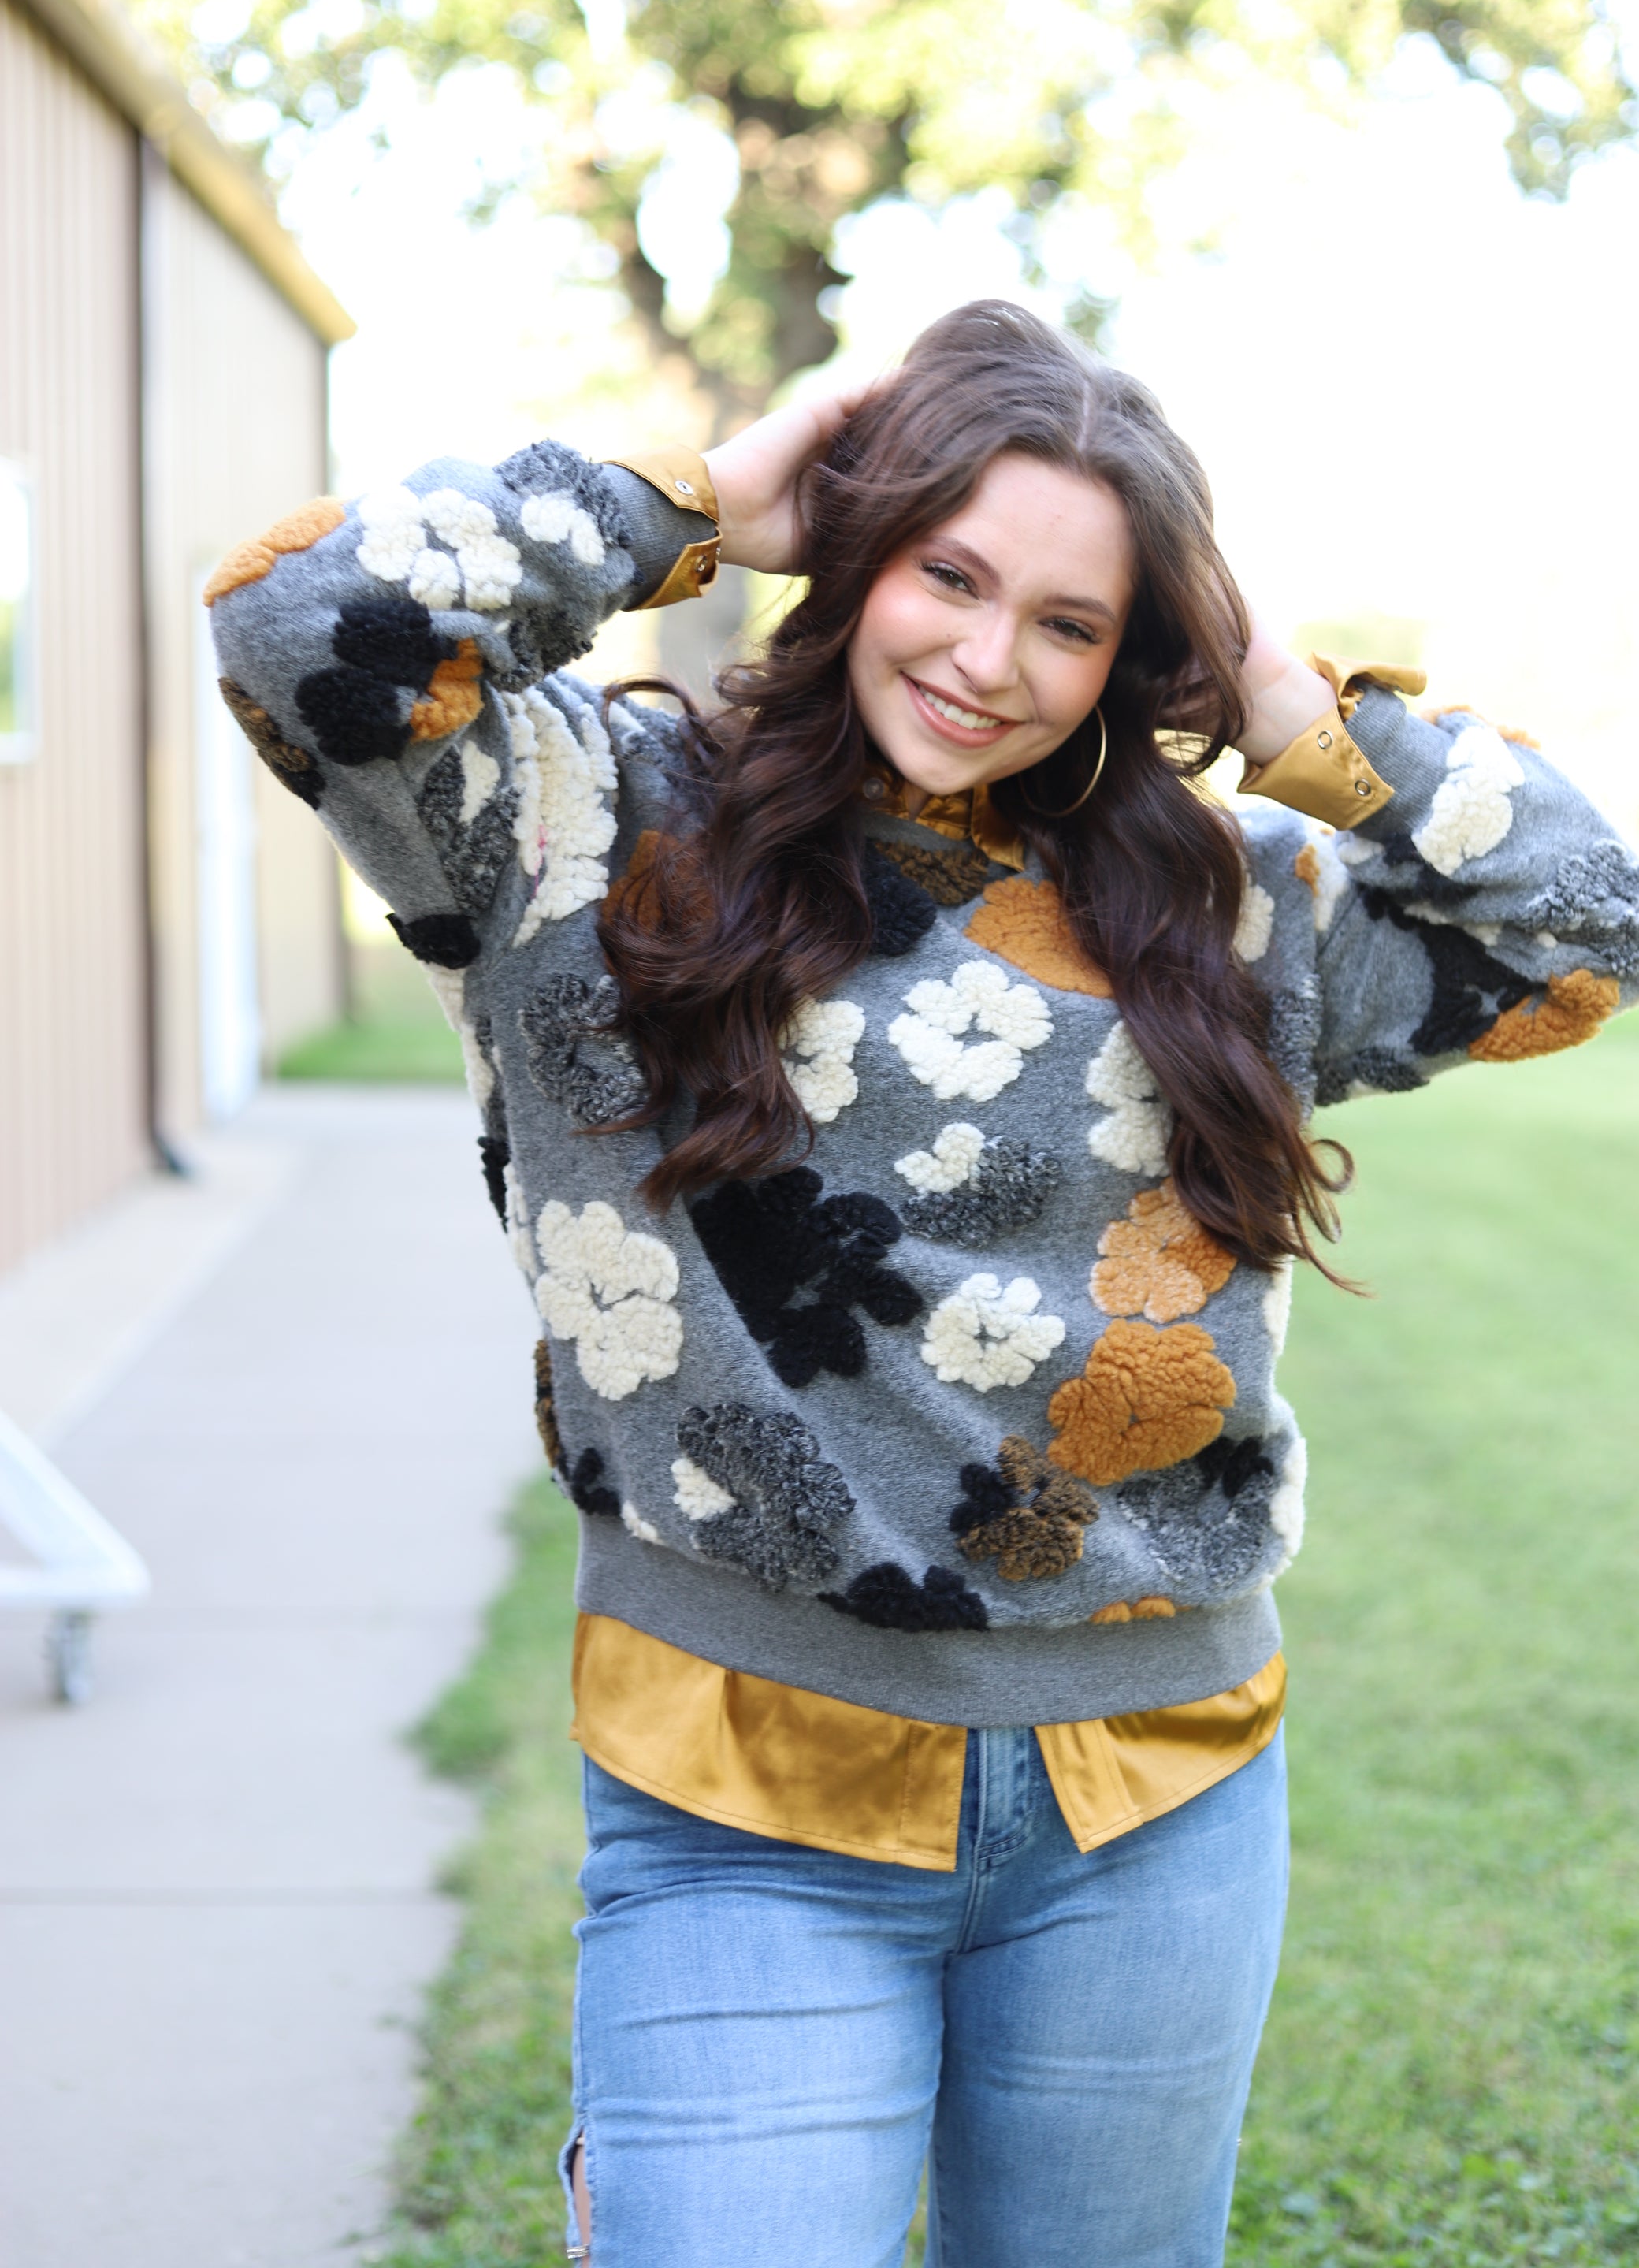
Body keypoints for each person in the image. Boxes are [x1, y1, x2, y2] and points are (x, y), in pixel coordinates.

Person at [210, 301, 1637, 2268]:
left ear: (1138, 655)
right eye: (946, 576)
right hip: (739, 1790)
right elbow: (302, 627)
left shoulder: (1223, 907)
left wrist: (1299, 710)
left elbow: (1597, 924)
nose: (986, 661)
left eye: (1069, 621)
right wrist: (698, 494)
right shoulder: (586, 822)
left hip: (1158, 1801)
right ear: (854, 551)